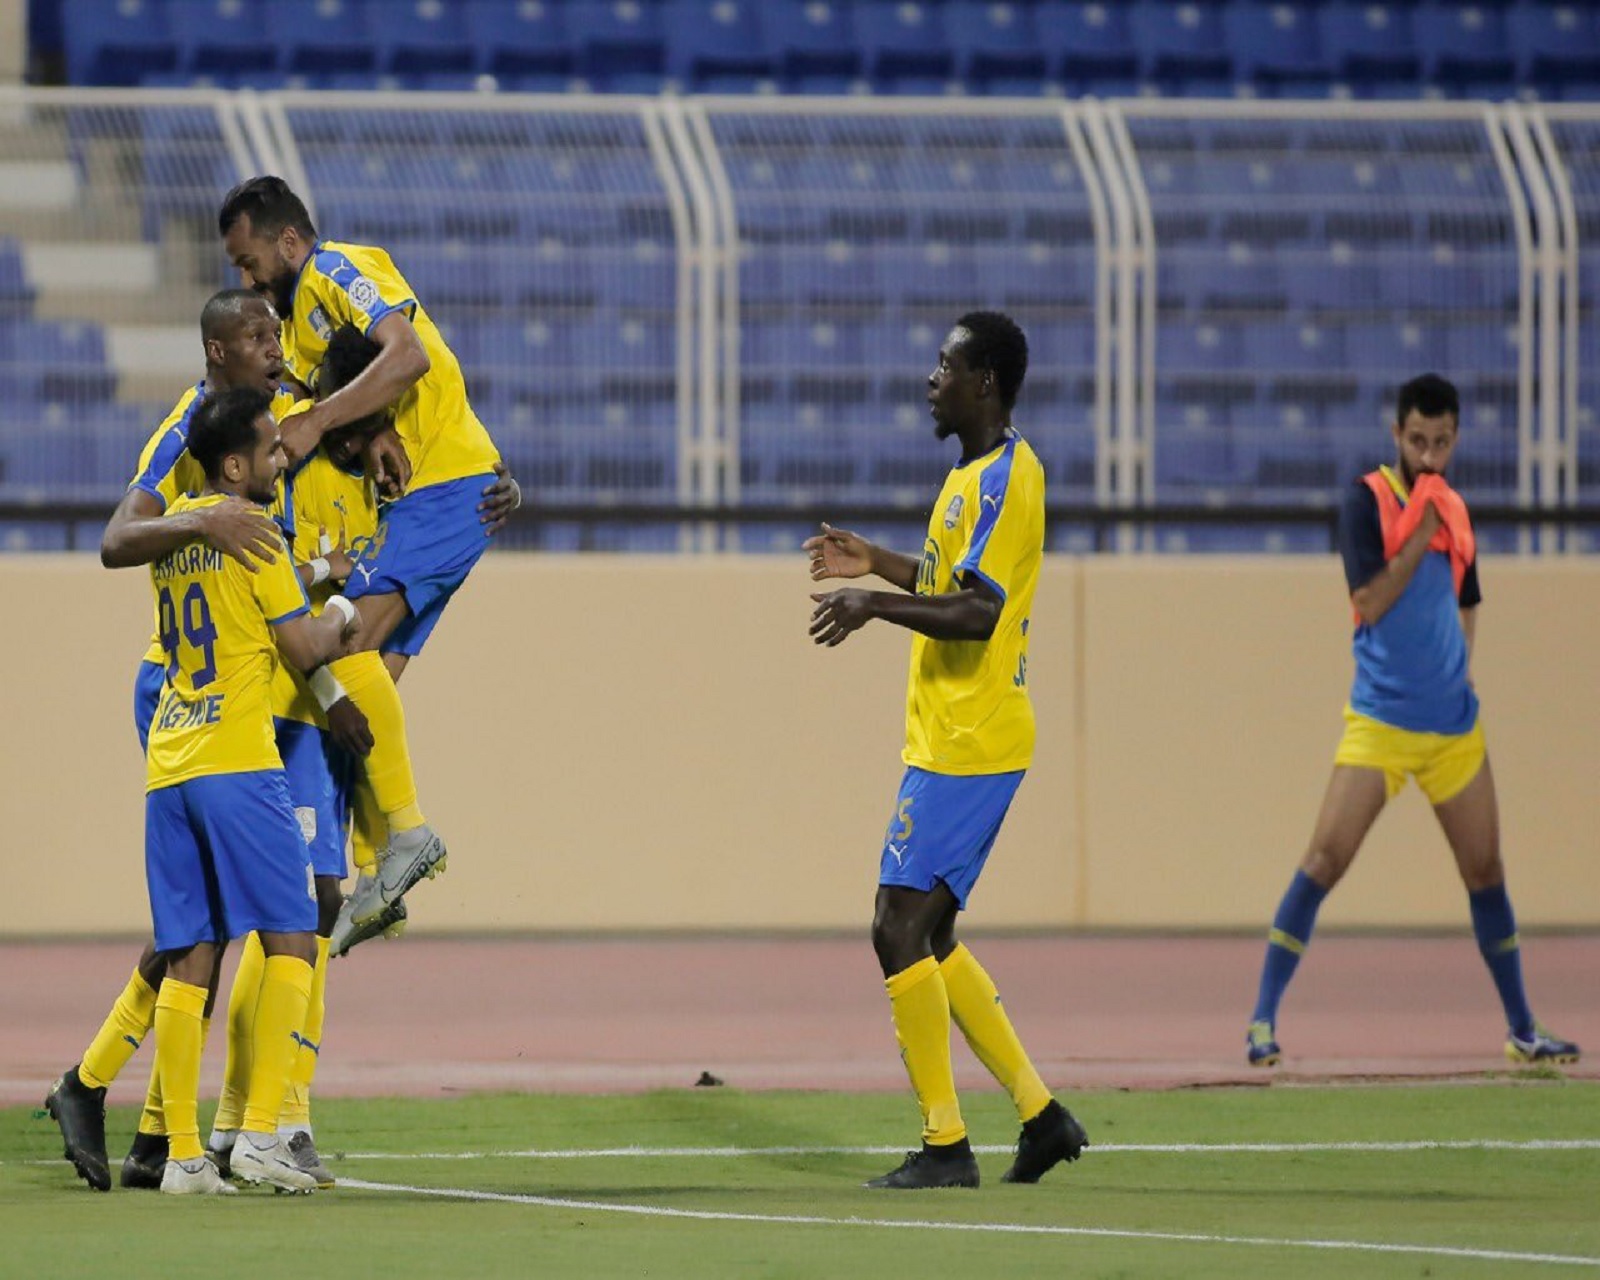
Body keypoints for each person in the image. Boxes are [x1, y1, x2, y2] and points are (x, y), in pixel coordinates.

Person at [805, 311, 1088, 1190]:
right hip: (950, 733)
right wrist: (879, 565)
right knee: (931, 936)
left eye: (946, 365)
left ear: (986, 383)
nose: (932, 378)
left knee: (896, 927)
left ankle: (945, 1147)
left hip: (973, 738)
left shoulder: (1010, 478)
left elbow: (979, 612)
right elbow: (948, 584)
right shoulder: (968, 477)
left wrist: (874, 610)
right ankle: (1041, 1117)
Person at [1245, 373, 1581, 1069]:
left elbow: (1468, 597)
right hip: (1381, 723)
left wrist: (1459, 662)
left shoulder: (1454, 510)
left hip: (1453, 728)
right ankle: (1261, 1021)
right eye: (1419, 441)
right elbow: (1368, 600)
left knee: (1486, 872)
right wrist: (1419, 529)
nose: (1430, 456)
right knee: (1323, 860)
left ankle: (1523, 1030)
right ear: (1396, 434)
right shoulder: (1366, 500)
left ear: (1456, 439)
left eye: (1443, 443)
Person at [219, 175, 510, 929]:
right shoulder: (302, 331)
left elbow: (406, 354)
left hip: (445, 484)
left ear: (288, 242)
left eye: (251, 264)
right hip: (426, 492)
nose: (248, 281)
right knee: (370, 677)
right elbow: (375, 386)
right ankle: (389, 854)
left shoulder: (335, 269)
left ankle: (403, 834)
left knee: (342, 645)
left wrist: (318, 421)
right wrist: (376, 432)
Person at [141, 386, 360, 1194]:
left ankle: (185, 1157)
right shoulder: (257, 532)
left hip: (170, 763)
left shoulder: (175, 534)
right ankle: (264, 1132)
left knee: (192, 951)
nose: (281, 457)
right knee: (296, 931)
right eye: (270, 448)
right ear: (235, 463)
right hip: (238, 757)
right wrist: (342, 605)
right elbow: (303, 646)